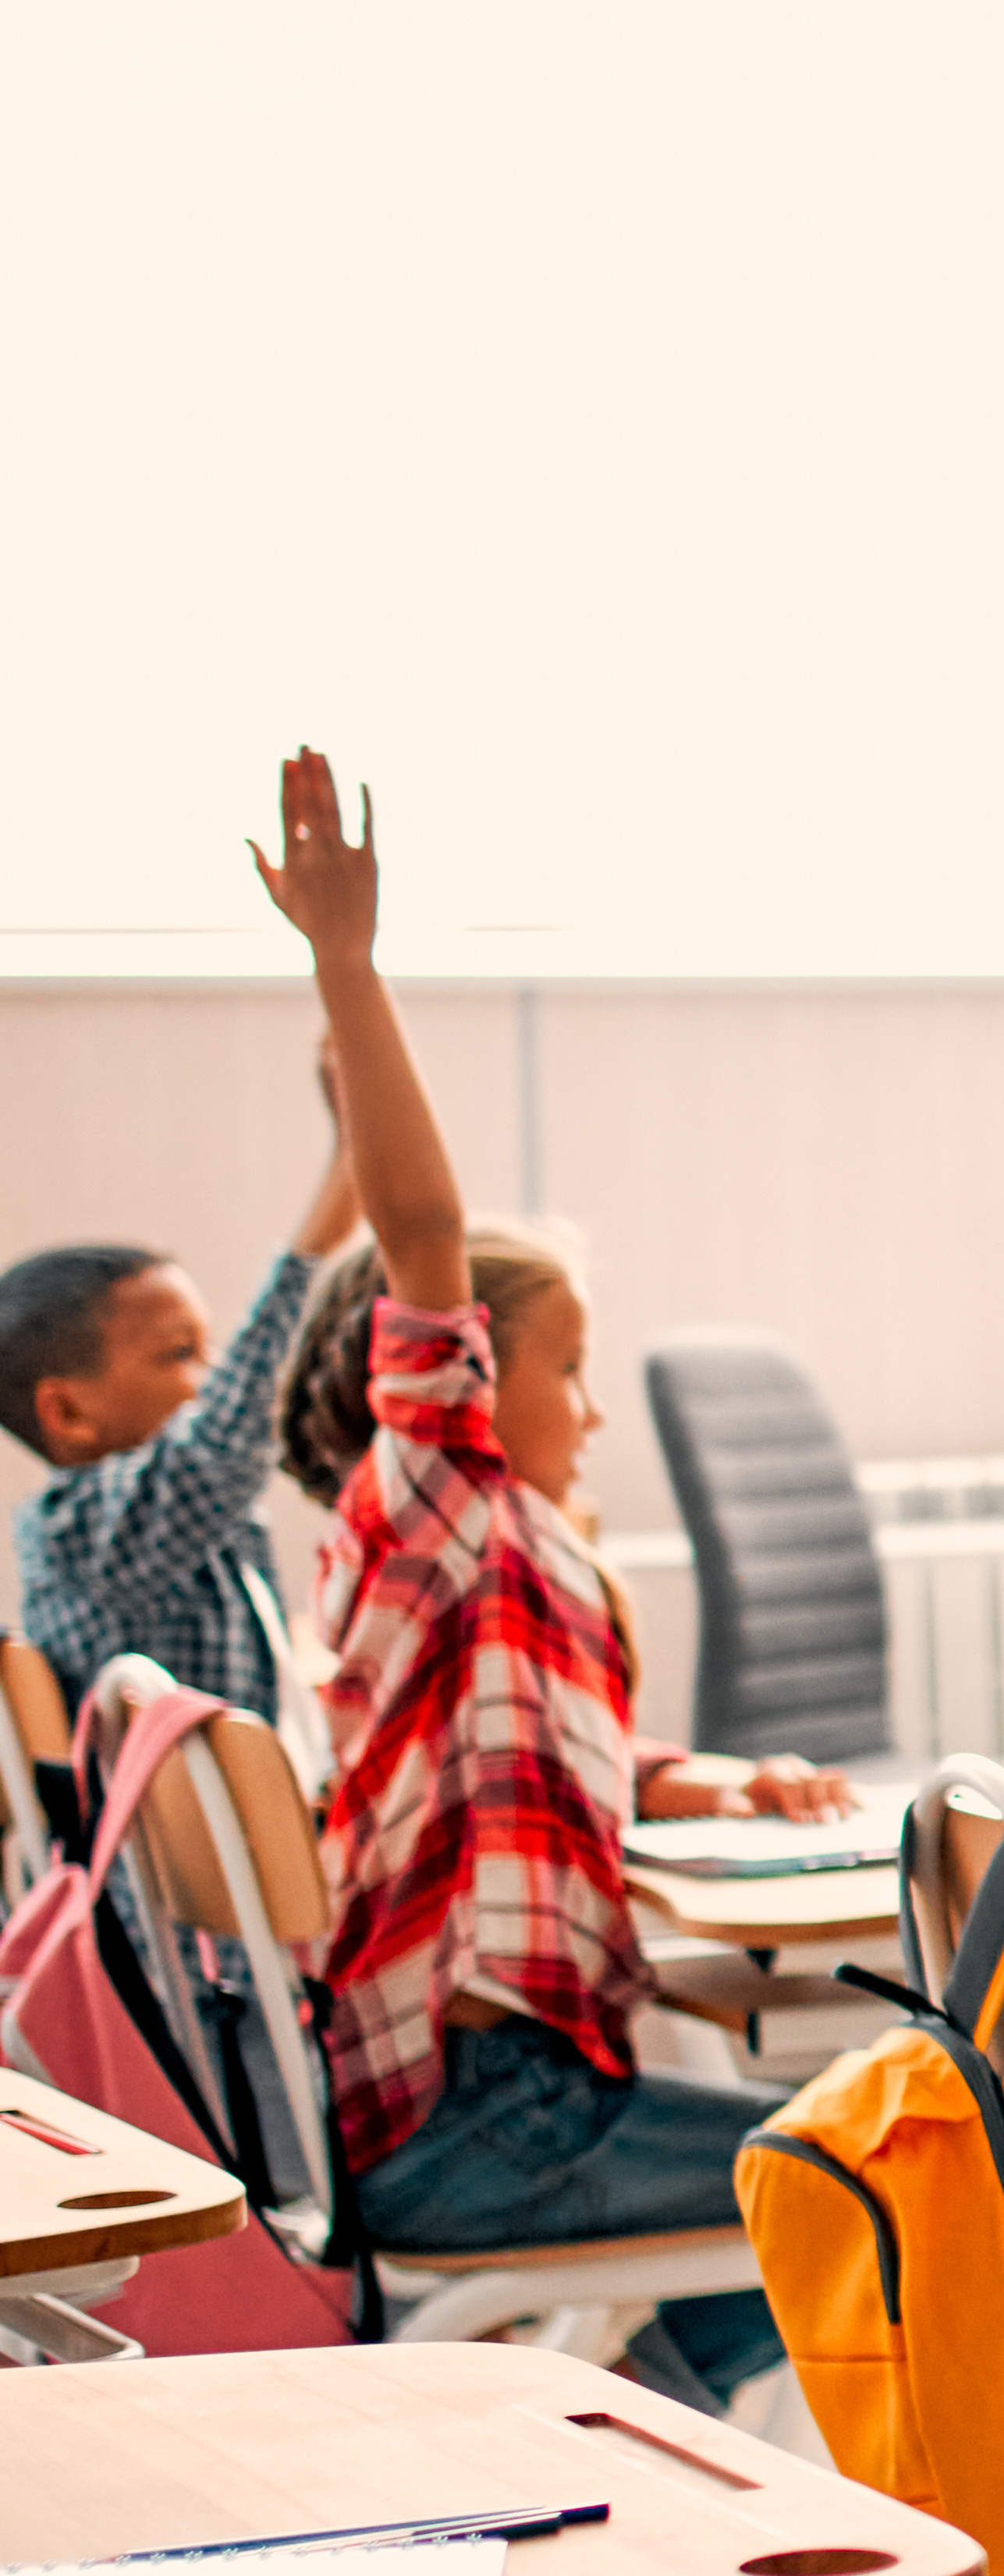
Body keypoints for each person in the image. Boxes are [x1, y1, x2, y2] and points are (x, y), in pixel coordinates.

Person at [252, 750, 846, 2409]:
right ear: (463, 1379)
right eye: (566, 1366)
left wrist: (704, 1781)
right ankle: (664, 2405)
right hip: (478, 2127)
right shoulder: (438, 1498)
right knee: (916, 2161)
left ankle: (658, 2403)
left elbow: (532, 1763)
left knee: (918, 2143)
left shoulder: (504, 1564)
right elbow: (423, 1229)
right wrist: (347, 964)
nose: (592, 1407)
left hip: (506, 2099)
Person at [2, 1050, 359, 1737]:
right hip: (168, 1846)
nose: (211, 1381)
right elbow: (227, 1438)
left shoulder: (175, 1521)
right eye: (180, 1355)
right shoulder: (80, 1529)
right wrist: (314, 1244)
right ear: (67, 1412)